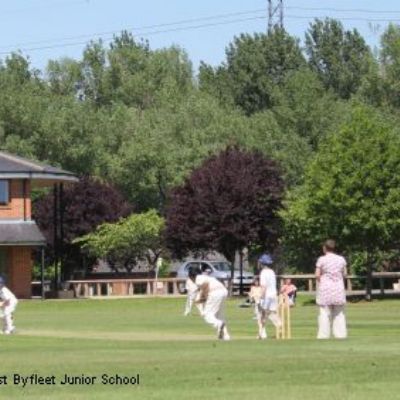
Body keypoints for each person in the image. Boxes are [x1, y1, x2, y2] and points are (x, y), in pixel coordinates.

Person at [315, 239, 347, 339]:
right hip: (338, 289)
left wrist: (322, 281)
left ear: (325, 248)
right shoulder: (341, 259)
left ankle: (323, 336)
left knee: (324, 313)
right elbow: (345, 274)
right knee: (339, 314)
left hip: (325, 290)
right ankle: (340, 335)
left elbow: (317, 274)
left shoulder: (322, 259)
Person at [195, 265, 230, 340]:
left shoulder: (197, 278)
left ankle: (218, 324)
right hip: (223, 291)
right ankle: (225, 336)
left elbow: (205, 284)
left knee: (207, 315)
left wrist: (202, 298)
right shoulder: (207, 277)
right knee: (220, 316)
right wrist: (202, 298)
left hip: (215, 292)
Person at [258, 254, 282, 339]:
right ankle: (279, 325)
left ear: (262, 263)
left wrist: (261, 297)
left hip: (267, 296)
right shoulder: (272, 272)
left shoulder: (263, 273)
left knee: (262, 314)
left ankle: (262, 334)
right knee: (271, 313)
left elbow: (264, 286)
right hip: (273, 294)